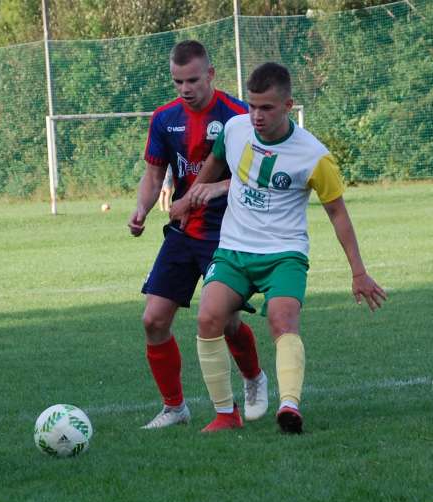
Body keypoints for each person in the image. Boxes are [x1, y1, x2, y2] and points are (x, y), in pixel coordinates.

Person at [179, 62, 386, 433]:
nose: (256, 116)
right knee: (208, 318)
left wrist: (358, 271)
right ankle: (226, 415)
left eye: (267, 108)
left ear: (288, 105)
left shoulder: (314, 155)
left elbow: (338, 213)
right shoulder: (234, 129)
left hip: (284, 254)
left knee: (282, 320)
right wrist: (190, 196)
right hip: (234, 250)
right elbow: (214, 161)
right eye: (252, 106)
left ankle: (289, 406)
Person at [128, 40, 267, 429]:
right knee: (153, 320)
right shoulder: (163, 118)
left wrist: (215, 190)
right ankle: (175, 407)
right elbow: (155, 173)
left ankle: (253, 378)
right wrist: (141, 208)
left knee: (225, 322)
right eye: (177, 82)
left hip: (228, 232)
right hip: (182, 231)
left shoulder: (239, 115)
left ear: (210, 74)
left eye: (192, 80)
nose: (185, 89)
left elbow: (256, 177)